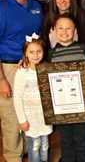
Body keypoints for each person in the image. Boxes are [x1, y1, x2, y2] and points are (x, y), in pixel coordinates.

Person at [0, 0, 43, 162]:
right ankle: (13, 157)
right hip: (8, 67)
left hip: (30, 66)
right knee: (11, 117)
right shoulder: (2, 7)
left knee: (29, 112)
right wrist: (1, 79)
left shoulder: (36, 7)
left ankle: (27, 151)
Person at [48, 13, 85, 162]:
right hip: (62, 108)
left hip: (82, 106)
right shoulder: (51, 54)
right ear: (55, 31)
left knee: (82, 139)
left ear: (75, 31)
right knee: (66, 140)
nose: (65, 32)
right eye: (61, 28)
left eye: (68, 28)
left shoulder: (83, 49)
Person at [13, 33, 52, 162]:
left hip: (44, 117)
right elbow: (17, 98)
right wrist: (22, 120)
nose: (35, 55)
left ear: (43, 52)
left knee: (45, 145)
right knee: (34, 146)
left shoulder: (46, 69)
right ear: (26, 54)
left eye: (39, 51)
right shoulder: (22, 72)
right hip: (30, 119)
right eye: (32, 52)